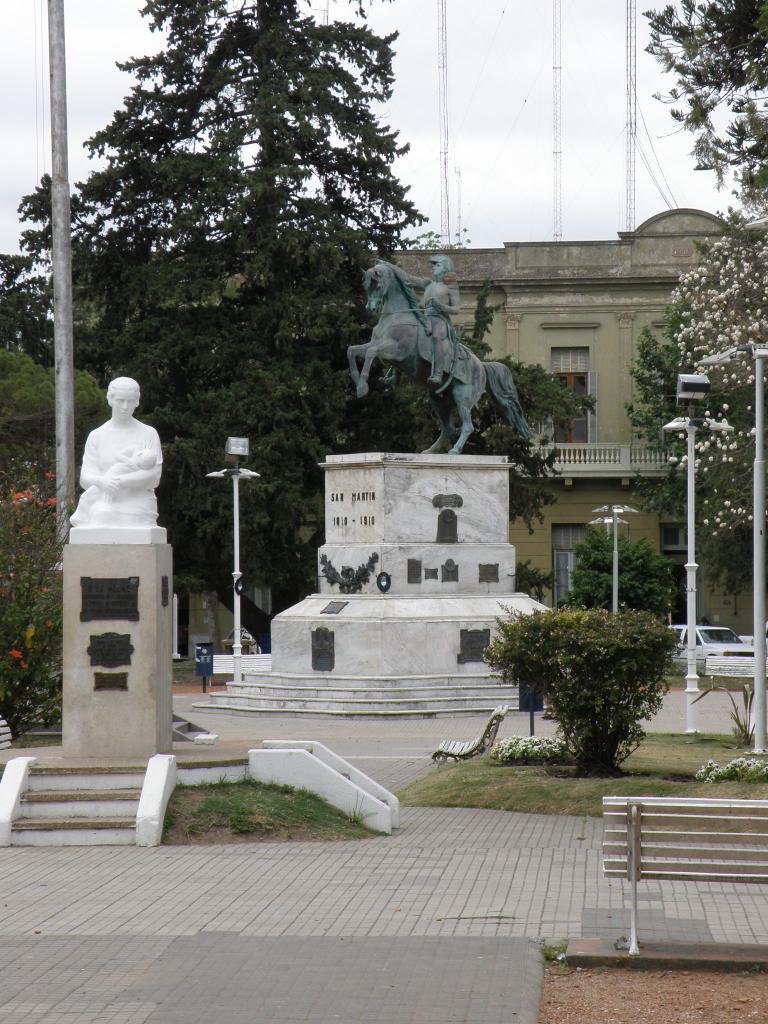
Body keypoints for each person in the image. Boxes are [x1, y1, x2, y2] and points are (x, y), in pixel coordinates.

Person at [70, 377, 163, 531]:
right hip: (104, 498)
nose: (125, 407)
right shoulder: (97, 436)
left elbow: (153, 478)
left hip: (138, 500)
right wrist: (102, 482)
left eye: (130, 401)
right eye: (120, 400)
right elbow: (85, 478)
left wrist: (120, 481)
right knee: (101, 515)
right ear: (110, 400)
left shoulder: (148, 433)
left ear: (137, 402)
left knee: (107, 517)